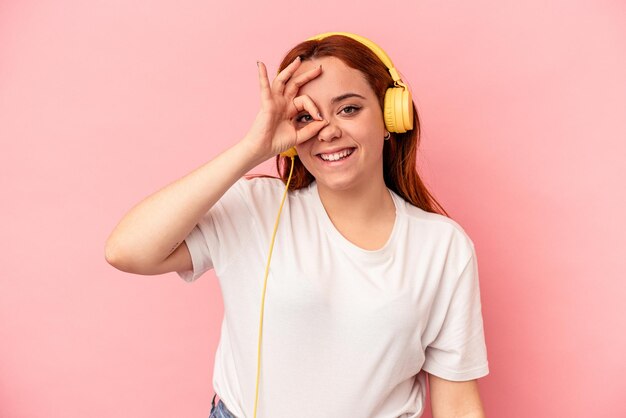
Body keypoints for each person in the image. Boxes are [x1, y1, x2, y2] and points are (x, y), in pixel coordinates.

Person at [105, 32, 489, 418]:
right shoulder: (255, 208)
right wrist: (251, 149)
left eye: (349, 109)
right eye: (306, 116)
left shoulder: (443, 247)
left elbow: (457, 403)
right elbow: (126, 251)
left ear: (392, 116)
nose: (327, 130)